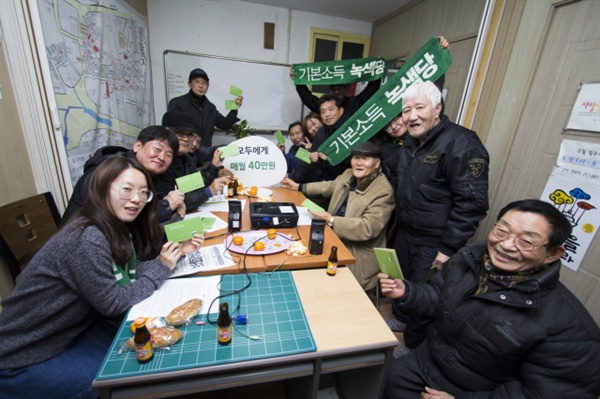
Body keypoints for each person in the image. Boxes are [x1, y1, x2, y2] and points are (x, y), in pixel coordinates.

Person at [0, 157, 204, 398]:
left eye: (144, 192)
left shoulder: (111, 226)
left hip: (74, 330)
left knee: (146, 352)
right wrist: (161, 267)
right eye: (127, 189)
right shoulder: (87, 238)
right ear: (101, 188)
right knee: (127, 375)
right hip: (27, 353)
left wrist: (176, 254)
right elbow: (114, 303)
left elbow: (134, 269)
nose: (137, 199)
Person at [379, 199, 600, 399]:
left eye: (526, 241)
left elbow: (544, 393)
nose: (506, 244)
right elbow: (439, 298)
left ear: (552, 253)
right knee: (379, 380)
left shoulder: (570, 330)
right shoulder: (468, 263)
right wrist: (407, 292)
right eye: (502, 231)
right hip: (426, 361)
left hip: (474, 391)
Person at [386, 80, 489, 346]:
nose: (412, 116)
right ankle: (401, 319)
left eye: (419, 107)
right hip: (406, 233)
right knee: (403, 281)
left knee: (425, 292)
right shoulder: (410, 141)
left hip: (434, 243)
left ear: (437, 109)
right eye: (406, 110)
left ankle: (412, 344)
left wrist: (448, 248)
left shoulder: (462, 143)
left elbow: (471, 203)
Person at [281, 142, 394, 293]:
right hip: (332, 237)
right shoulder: (349, 174)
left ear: (377, 163)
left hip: (356, 255)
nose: (359, 163)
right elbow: (329, 186)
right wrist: (300, 187)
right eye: (356, 158)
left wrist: (332, 221)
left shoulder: (383, 191)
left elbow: (368, 228)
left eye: (365, 159)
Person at [61, 125, 184, 224]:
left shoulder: (150, 173)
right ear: (137, 146)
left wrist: (176, 203)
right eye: (157, 149)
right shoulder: (106, 171)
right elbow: (116, 222)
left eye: (169, 155)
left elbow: (165, 197)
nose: (162, 157)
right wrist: (167, 206)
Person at [155, 111, 230, 217]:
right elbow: (178, 201)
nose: (186, 139)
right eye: (180, 134)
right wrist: (209, 190)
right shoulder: (161, 164)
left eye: (190, 135)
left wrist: (213, 168)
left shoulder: (185, 158)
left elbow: (194, 184)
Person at [168, 68, 243, 148]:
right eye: (197, 82)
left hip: (204, 155)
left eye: (204, 83)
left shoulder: (210, 108)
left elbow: (224, 124)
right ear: (189, 84)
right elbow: (170, 132)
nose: (201, 86)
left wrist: (234, 108)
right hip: (184, 154)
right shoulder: (177, 103)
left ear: (208, 86)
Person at [289, 94, 350, 185]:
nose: (327, 114)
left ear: (340, 110)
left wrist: (327, 159)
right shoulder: (322, 133)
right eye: (323, 111)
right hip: (331, 183)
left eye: (331, 109)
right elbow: (308, 160)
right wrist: (292, 179)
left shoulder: (351, 128)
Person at [290, 67, 381, 117]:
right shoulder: (325, 106)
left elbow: (369, 92)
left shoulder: (354, 103)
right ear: (330, 92)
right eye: (334, 90)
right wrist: (298, 80)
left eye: (340, 89)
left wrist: (377, 73)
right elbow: (308, 98)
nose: (337, 92)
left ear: (345, 90)